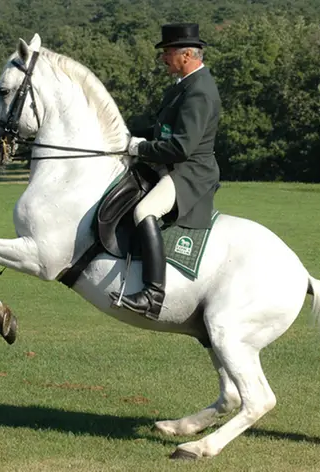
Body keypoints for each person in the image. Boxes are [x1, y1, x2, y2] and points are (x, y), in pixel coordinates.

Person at [110, 23, 222, 320]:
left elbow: (181, 147)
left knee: (143, 211)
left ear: (187, 55)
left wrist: (139, 149)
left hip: (189, 172)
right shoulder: (183, 85)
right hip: (172, 164)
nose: (163, 58)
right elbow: (161, 129)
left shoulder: (199, 92)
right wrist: (120, 137)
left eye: (167, 52)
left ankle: (152, 294)